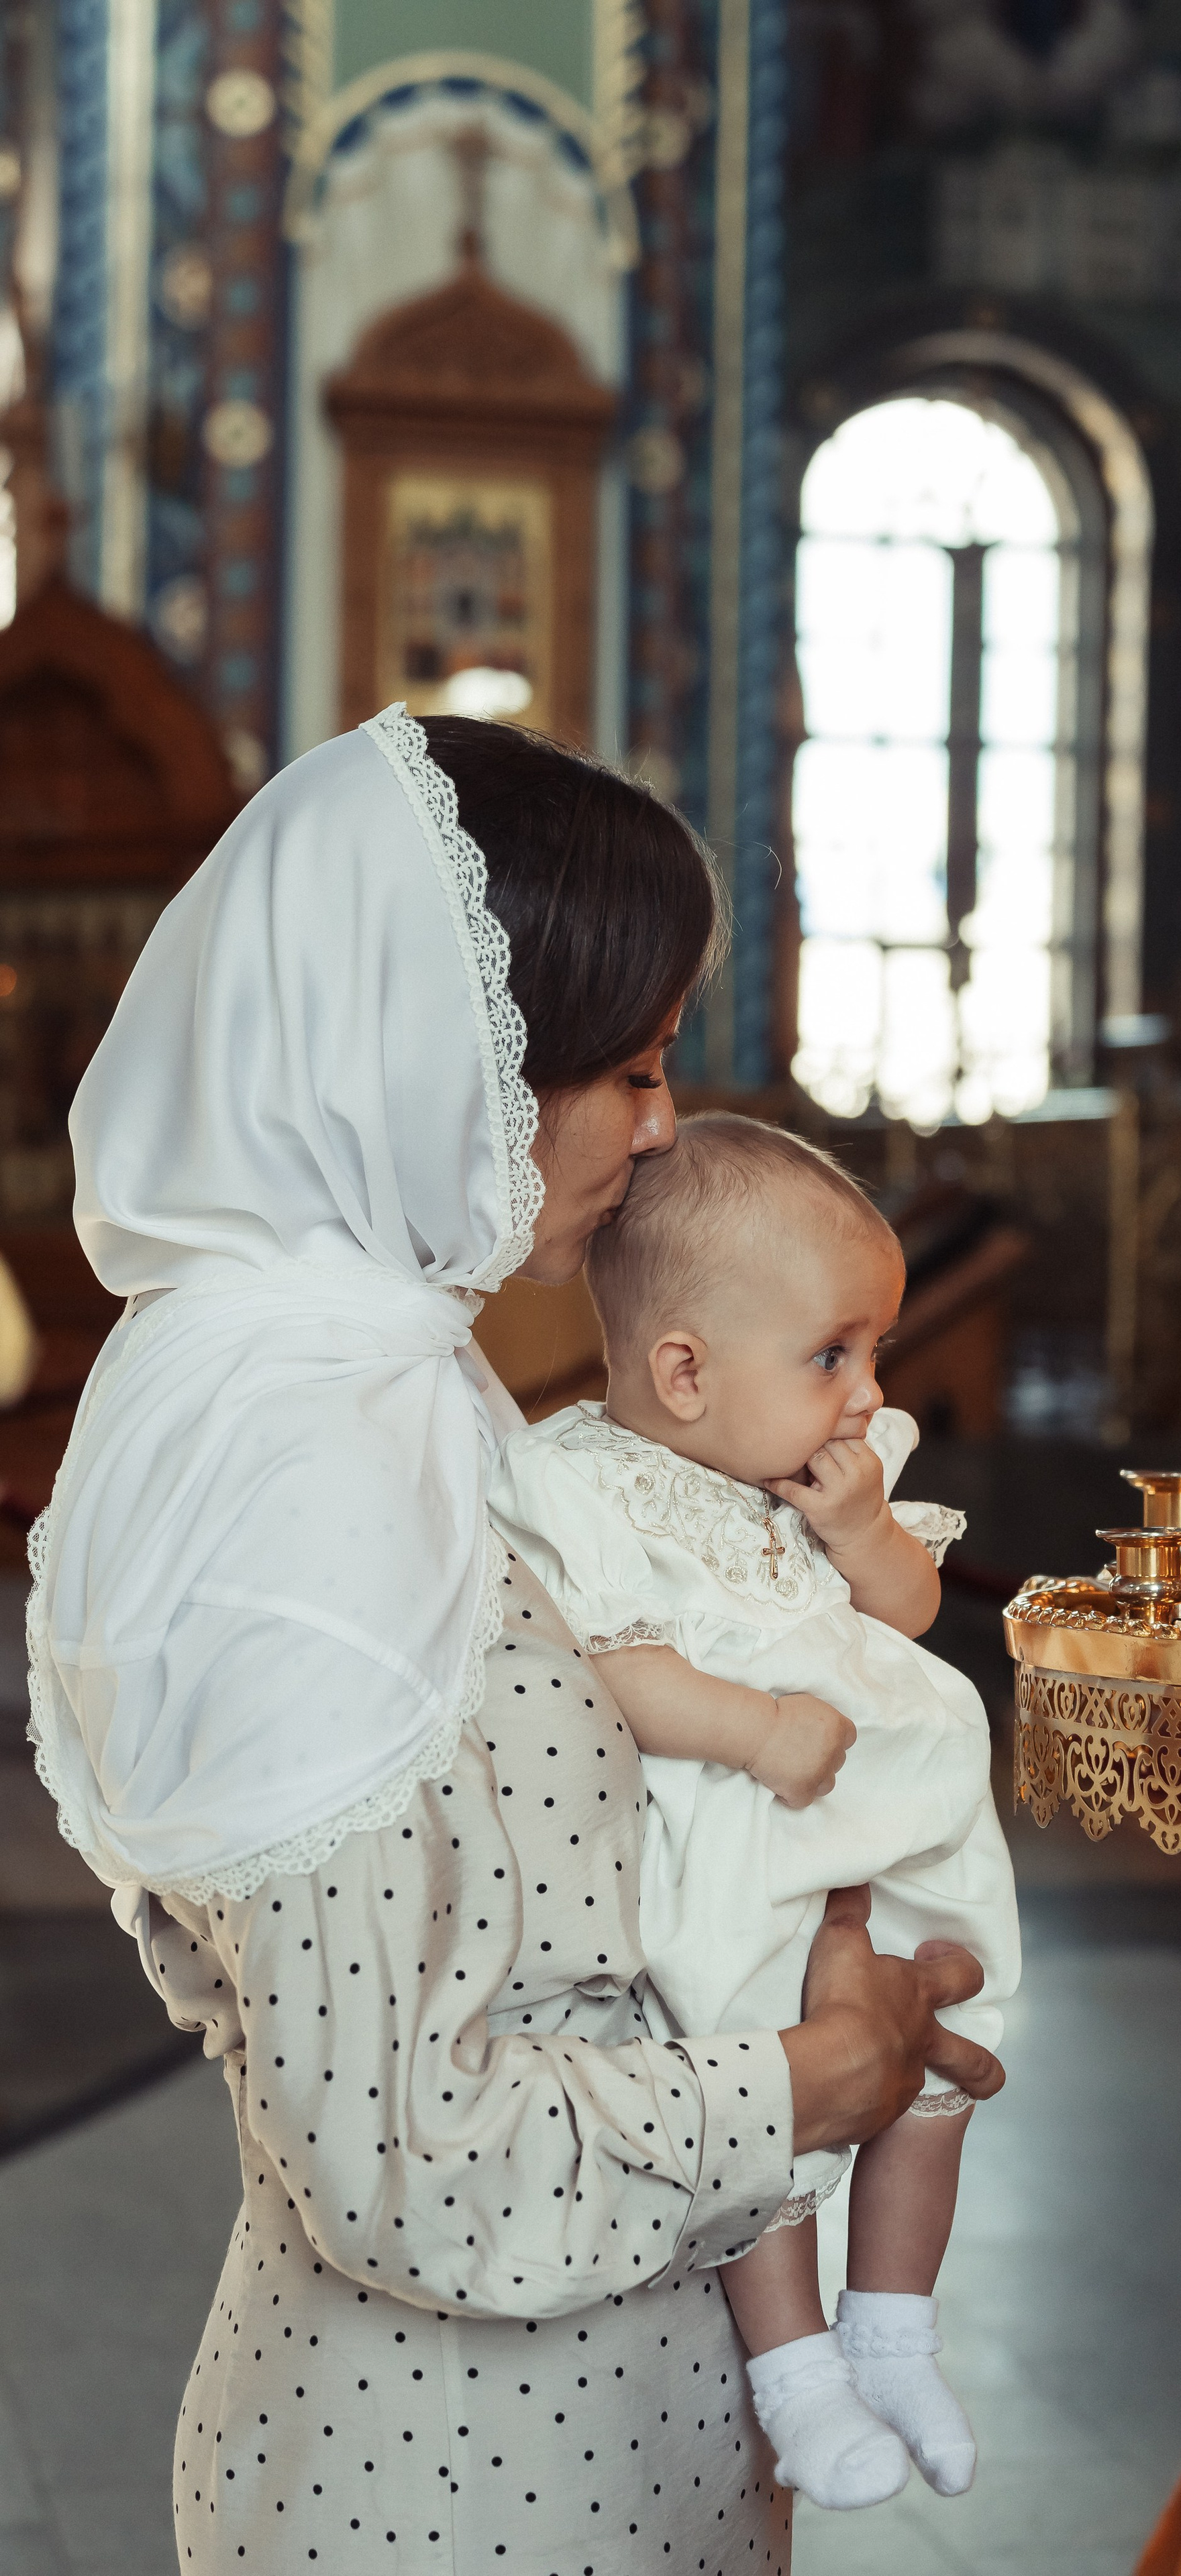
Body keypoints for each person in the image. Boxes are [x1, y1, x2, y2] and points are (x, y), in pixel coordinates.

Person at [25, 707, 1002, 2575]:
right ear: (446, 1053)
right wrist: (809, 2081)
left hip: (584, 2429)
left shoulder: (379, 1370)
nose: (657, 1133)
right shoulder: (303, 1457)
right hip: (449, 2485)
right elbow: (400, 2152)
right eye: (625, 1071)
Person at [491, 1116, 1020, 2512]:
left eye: (872, 1353)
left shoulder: (817, 1472)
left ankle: (892, 2326)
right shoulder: (582, 1487)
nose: (865, 1394)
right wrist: (762, 1730)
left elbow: (904, 1619)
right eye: (833, 1354)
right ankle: (792, 2374)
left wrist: (861, 1538)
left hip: (885, 1816)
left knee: (946, 2048)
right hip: (739, 1824)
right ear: (683, 1371)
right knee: (757, 2069)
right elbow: (609, 1668)